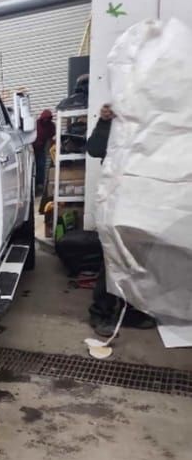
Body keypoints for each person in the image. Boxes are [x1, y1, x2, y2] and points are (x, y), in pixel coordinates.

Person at [86, 103, 156, 336]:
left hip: (144, 197)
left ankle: (133, 311)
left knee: (139, 257)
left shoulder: (154, 122)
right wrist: (105, 121)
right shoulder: (116, 118)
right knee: (113, 255)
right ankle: (101, 312)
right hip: (117, 197)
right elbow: (94, 149)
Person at [32, 109, 55, 195]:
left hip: (41, 149)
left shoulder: (51, 126)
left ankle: (40, 185)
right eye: (45, 118)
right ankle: (33, 186)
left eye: (48, 119)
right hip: (32, 148)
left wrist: (51, 149)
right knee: (33, 167)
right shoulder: (36, 124)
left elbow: (51, 138)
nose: (46, 120)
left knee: (41, 166)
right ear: (42, 118)